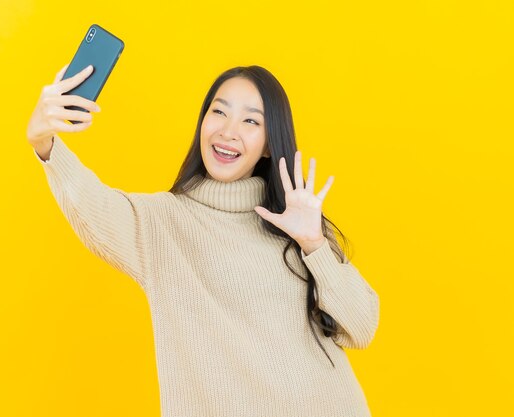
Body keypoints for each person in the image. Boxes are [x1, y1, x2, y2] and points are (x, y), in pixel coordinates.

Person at [26, 63, 380, 417]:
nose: (228, 131)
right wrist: (45, 143)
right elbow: (91, 204)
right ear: (202, 124)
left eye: (251, 121)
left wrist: (314, 244)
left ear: (270, 145)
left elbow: (361, 327)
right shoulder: (162, 224)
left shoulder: (297, 222)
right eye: (219, 112)